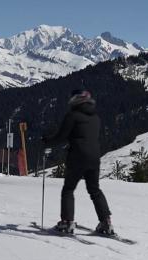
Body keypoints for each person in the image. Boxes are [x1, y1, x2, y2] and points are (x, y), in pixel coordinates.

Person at [42, 89, 114, 235]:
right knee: (94, 190)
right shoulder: (96, 118)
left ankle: (67, 223)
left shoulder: (72, 116)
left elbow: (61, 137)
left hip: (77, 156)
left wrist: (46, 141)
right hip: (95, 157)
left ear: (75, 100)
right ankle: (106, 222)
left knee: (68, 189)